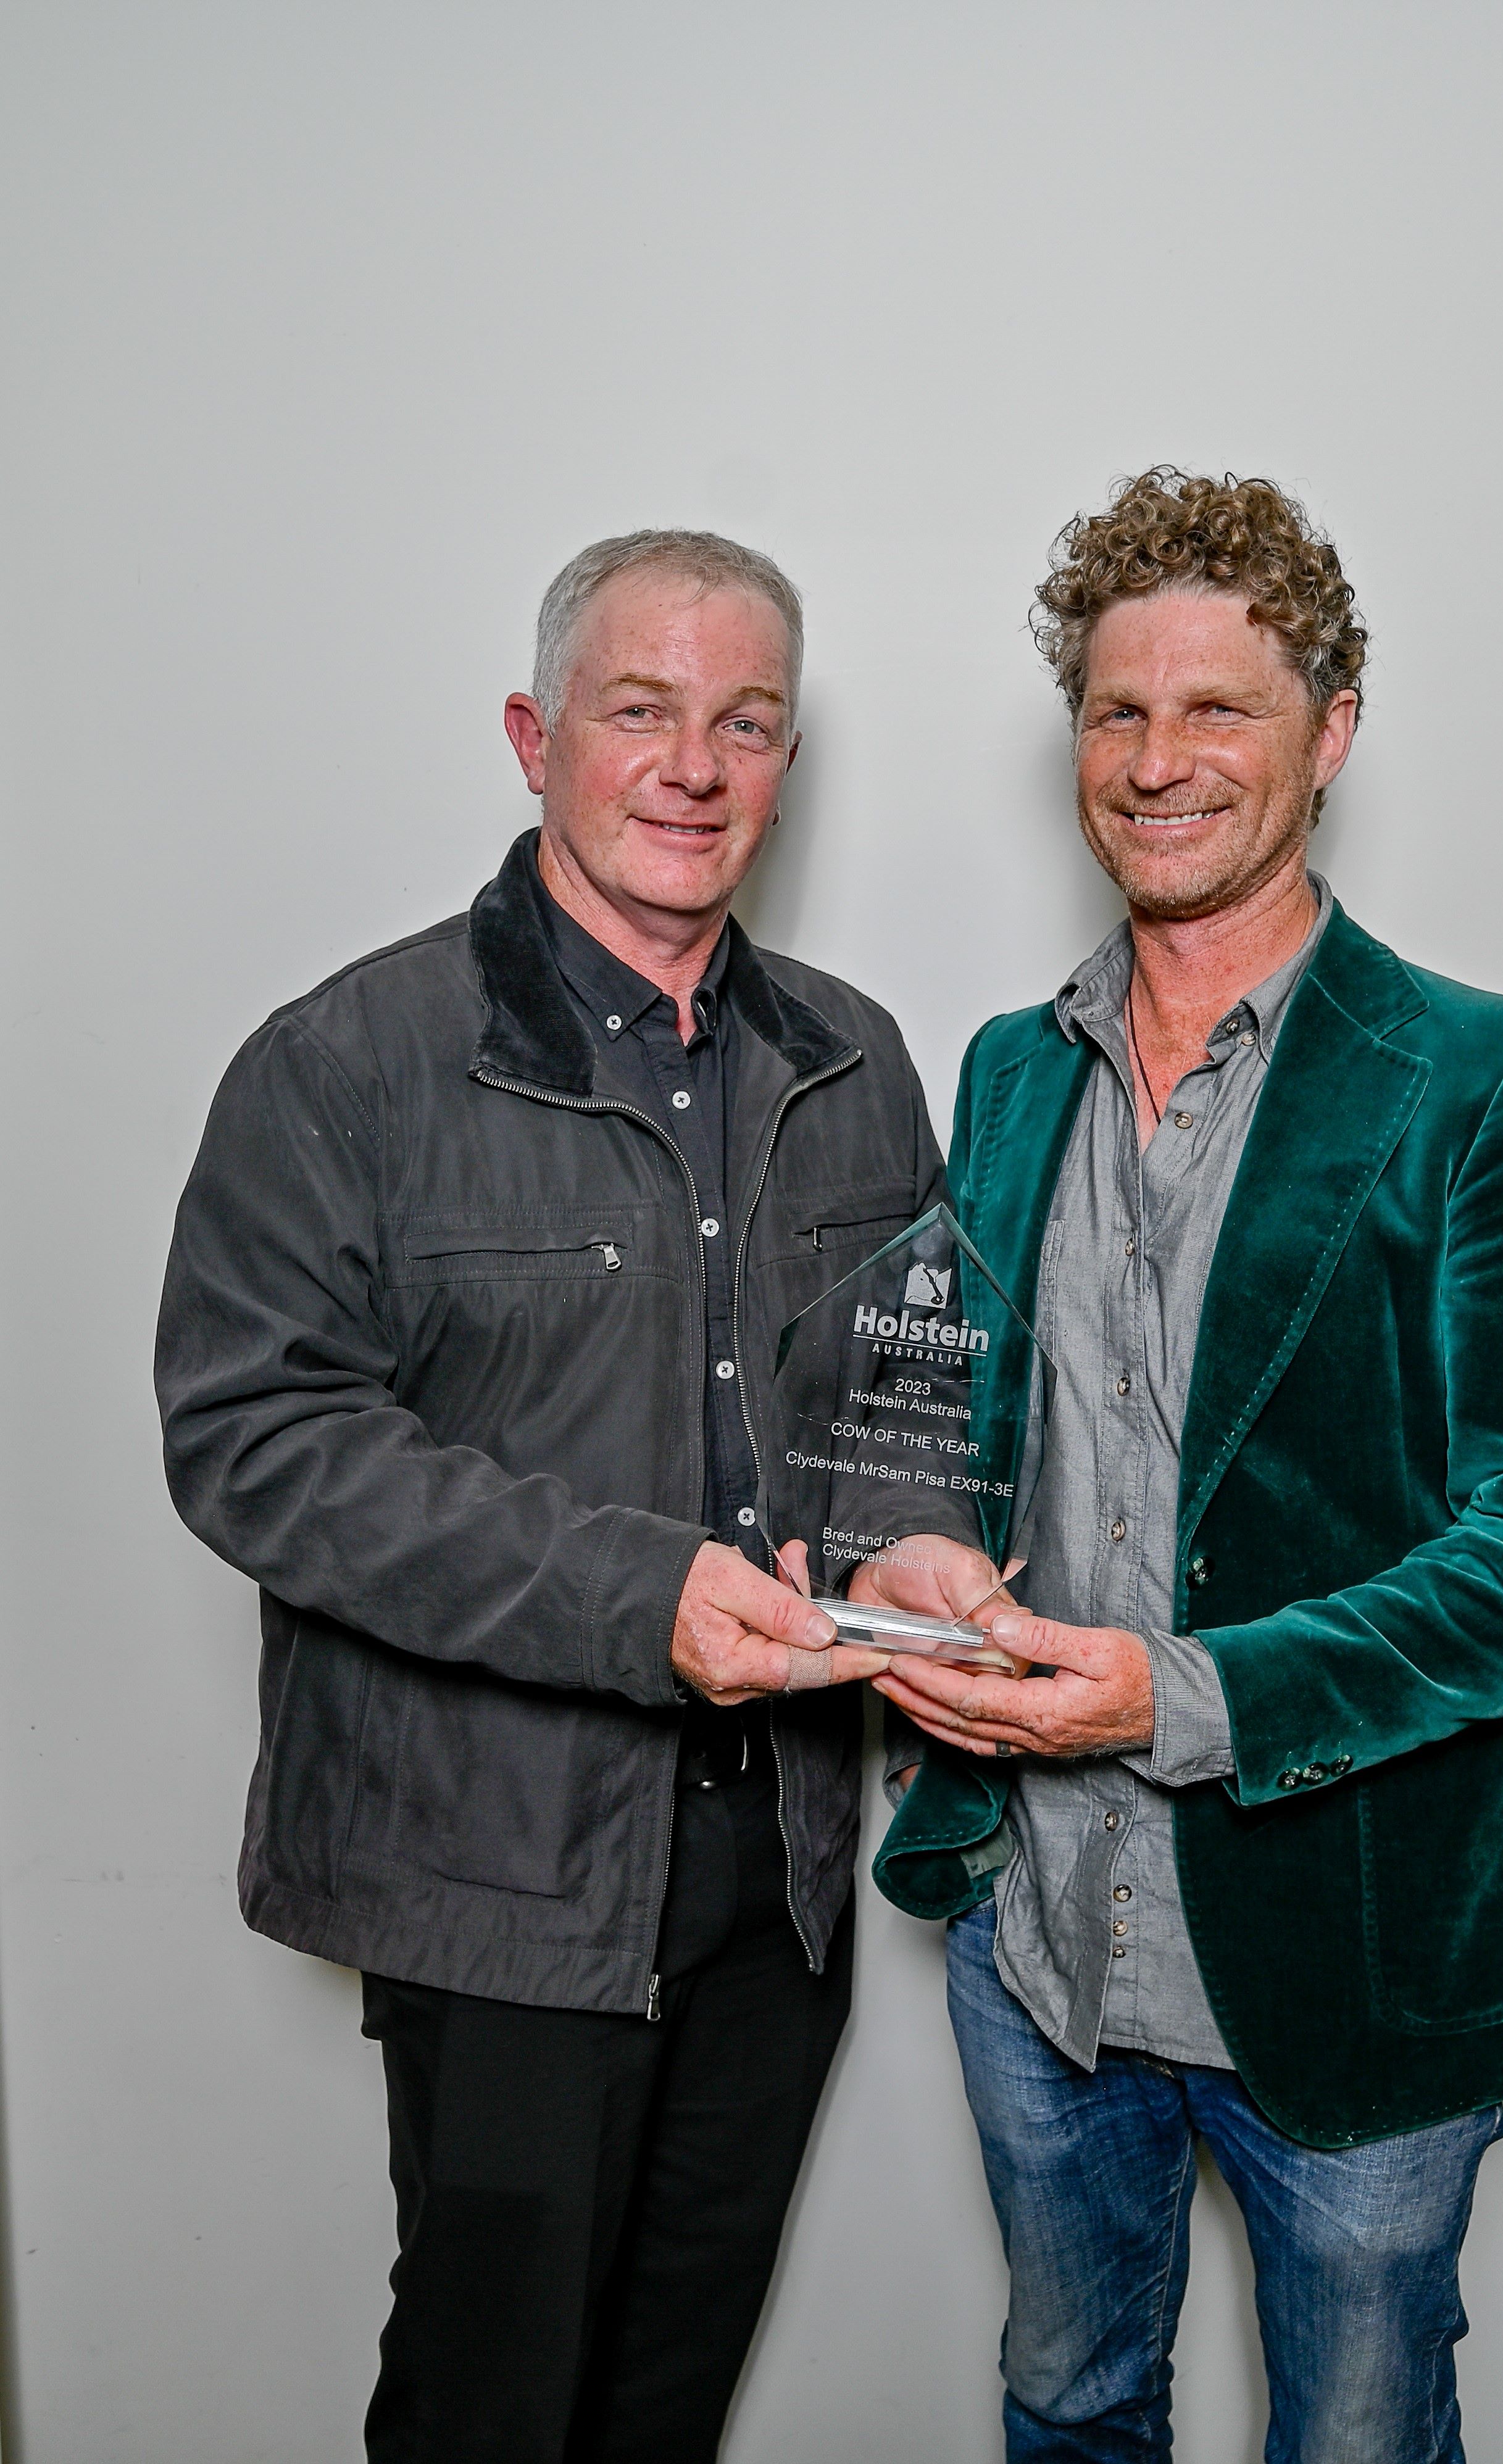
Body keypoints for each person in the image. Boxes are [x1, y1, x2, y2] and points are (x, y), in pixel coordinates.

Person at [155, 529, 998, 2462]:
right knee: (490, 2413)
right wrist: (643, 1596)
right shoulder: (344, 1066)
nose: (692, 765)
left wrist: (923, 1536)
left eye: (746, 721)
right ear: (538, 738)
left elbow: (901, 1398)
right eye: (641, 711)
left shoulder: (856, 1064)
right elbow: (256, 1437)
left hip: (777, 1886)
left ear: (787, 763)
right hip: (500, 1878)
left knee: (662, 2408)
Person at [870, 470, 1503, 2462]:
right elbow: (952, 1430)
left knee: (1357, 2446)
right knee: (1066, 2405)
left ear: (1333, 725)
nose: (1160, 762)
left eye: (1217, 708)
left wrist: (1185, 1696)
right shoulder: (1007, 1065)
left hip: (1359, 1955)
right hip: (1037, 1938)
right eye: (1119, 712)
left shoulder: (1493, 1075)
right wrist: (907, 1557)